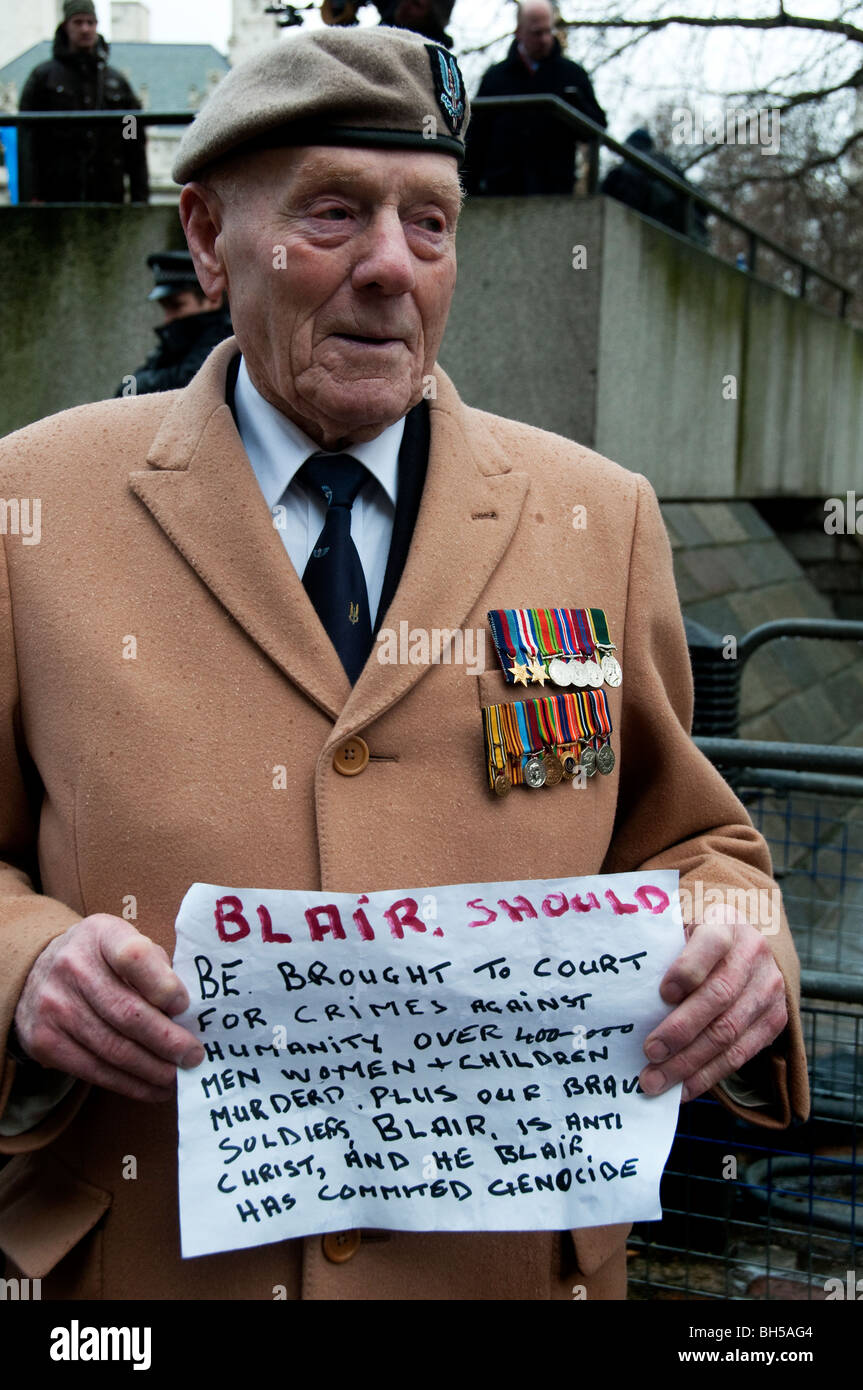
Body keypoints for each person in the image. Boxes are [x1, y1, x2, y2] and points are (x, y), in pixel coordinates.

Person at [0, 27, 806, 1302]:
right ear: (209, 237)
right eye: (333, 212)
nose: (390, 266)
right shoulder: (31, 503)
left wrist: (734, 936)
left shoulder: (599, 517)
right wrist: (25, 962)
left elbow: (699, 847)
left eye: (429, 224)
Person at [464, 0, 606, 196]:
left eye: (549, 31)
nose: (545, 39)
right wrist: (469, 191)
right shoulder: (495, 77)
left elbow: (597, 127)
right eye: (537, 32)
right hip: (502, 190)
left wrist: (575, 107)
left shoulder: (572, 74)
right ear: (519, 32)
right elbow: (477, 138)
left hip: (555, 190)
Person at [18, 0, 149, 205]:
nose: (85, 29)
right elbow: (28, 141)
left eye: (91, 22)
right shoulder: (43, 79)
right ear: (66, 26)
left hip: (108, 193)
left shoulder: (116, 83)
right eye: (78, 22)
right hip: (57, 193)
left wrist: (139, 197)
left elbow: (132, 138)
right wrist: (31, 194)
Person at [116, 251, 233, 397]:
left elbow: (189, 380)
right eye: (165, 307)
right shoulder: (180, 341)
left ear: (212, 299)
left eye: (176, 306)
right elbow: (129, 387)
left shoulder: (226, 339)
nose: (168, 318)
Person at [602, 127, 710, 246]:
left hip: (646, 229)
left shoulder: (628, 167)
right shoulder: (666, 164)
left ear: (629, 145)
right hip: (676, 233)